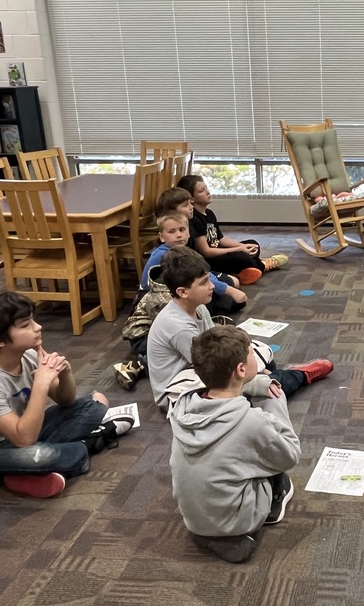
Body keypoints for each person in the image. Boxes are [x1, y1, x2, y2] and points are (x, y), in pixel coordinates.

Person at [0, 291, 114, 499]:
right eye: (25, 325)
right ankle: (83, 446)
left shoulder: (27, 356)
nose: (38, 327)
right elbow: (25, 440)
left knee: (96, 402)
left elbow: (66, 401)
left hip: (24, 430)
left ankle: (30, 471)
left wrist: (65, 373)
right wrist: (40, 385)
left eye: (33, 320)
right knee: (41, 455)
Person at [169, 326, 300, 563]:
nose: (255, 357)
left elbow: (227, 388)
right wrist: (275, 404)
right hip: (239, 520)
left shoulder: (183, 406)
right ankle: (271, 503)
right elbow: (290, 454)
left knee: (227, 459)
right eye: (251, 353)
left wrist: (255, 384)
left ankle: (212, 535)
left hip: (194, 520)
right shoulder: (251, 422)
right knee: (269, 454)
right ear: (241, 368)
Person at [147, 246, 332, 411]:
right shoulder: (178, 327)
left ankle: (273, 377)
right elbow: (208, 366)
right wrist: (253, 377)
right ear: (182, 292)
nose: (211, 285)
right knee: (259, 386)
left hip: (199, 368)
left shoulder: (198, 307)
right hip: (178, 392)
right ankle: (298, 375)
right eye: (203, 282)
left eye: (209, 279)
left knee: (254, 350)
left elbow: (213, 344)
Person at [113, 211, 248, 390]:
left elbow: (201, 276)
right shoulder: (163, 267)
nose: (178, 234)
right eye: (172, 231)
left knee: (217, 306)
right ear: (161, 236)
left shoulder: (183, 255)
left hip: (180, 314)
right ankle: (140, 364)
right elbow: (198, 357)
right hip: (144, 332)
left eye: (182, 229)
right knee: (177, 352)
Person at [176, 174, 288, 285]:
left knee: (253, 244)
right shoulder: (194, 219)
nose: (208, 192)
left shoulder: (209, 214)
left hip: (220, 251)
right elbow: (207, 252)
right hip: (209, 260)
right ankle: (262, 265)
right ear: (192, 199)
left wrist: (242, 246)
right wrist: (239, 250)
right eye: (201, 191)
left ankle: (244, 271)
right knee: (242, 257)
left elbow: (221, 239)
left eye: (207, 188)